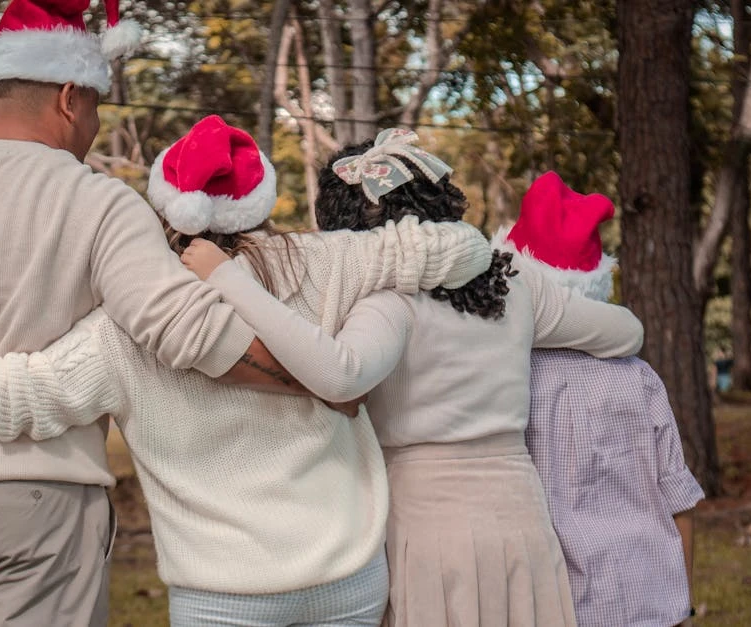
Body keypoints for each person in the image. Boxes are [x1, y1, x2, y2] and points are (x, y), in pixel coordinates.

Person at [0, 116, 495, 626]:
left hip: (221, 594)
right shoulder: (334, 263)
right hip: (349, 575)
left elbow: (19, 398)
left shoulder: (130, 323)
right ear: (259, 199)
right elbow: (466, 248)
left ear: (166, 209)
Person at [0, 1, 319, 623]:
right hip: (40, 501)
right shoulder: (99, 203)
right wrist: (316, 376)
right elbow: (187, 331)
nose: (94, 123)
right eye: (95, 105)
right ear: (68, 97)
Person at [179, 130, 648, 626]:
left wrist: (229, 278)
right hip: (521, 517)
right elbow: (626, 332)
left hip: (427, 524)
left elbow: (339, 374)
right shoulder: (516, 284)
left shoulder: (390, 303)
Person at [494, 172, 705, 627]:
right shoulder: (640, 378)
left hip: (559, 604)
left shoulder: (507, 377)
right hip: (652, 597)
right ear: (597, 284)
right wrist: (682, 605)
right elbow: (680, 500)